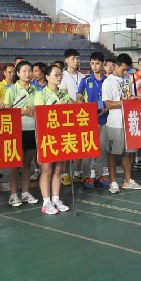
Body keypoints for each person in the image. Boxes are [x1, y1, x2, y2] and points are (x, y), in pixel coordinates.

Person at [32, 65, 72, 214]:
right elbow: (39, 115)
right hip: (46, 136)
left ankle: (56, 199)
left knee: (58, 169)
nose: (59, 77)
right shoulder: (40, 94)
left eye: (60, 74)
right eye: (56, 74)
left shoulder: (64, 94)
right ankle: (46, 202)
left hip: (61, 134)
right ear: (47, 77)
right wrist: (56, 106)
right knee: (47, 169)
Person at [101, 55, 141, 194]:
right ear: (116, 66)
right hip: (115, 123)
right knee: (113, 154)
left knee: (128, 153)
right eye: (123, 69)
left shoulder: (128, 79)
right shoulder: (108, 82)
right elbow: (108, 104)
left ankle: (128, 180)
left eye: (127, 70)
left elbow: (129, 97)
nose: (125, 72)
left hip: (129, 120)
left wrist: (135, 99)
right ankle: (113, 182)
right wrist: (125, 102)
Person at [2, 61, 39, 207]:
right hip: (16, 130)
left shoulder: (35, 90)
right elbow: (7, 111)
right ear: (18, 73)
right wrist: (23, 112)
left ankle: (25, 192)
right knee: (15, 163)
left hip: (32, 129)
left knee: (27, 162)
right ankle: (13, 195)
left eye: (30, 71)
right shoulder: (12, 90)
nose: (28, 73)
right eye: (24, 71)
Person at [77, 51, 109, 187]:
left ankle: (99, 175)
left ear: (103, 64)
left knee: (101, 148)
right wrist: (84, 108)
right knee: (88, 148)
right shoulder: (85, 80)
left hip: (104, 118)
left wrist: (106, 108)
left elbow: (111, 99)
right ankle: (86, 176)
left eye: (97, 63)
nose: (94, 66)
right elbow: (79, 97)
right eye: (92, 63)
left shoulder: (108, 81)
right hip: (89, 120)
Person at [60, 49, 83, 185]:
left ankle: (77, 172)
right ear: (66, 60)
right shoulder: (62, 76)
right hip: (67, 116)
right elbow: (64, 96)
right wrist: (77, 105)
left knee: (79, 145)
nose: (76, 61)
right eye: (73, 58)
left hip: (81, 116)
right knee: (67, 144)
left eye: (78, 58)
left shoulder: (83, 76)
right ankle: (64, 174)